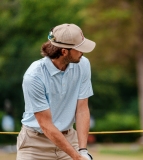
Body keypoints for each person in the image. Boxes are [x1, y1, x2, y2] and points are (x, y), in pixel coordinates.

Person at [16, 23, 96, 160]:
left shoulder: (83, 64)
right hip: (35, 145)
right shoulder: (34, 76)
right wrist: (76, 157)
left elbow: (82, 109)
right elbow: (46, 125)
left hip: (70, 139)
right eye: (79, 48)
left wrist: (82, 151)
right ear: (64, 52)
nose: (83, 52)